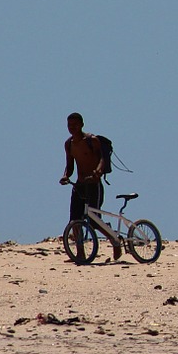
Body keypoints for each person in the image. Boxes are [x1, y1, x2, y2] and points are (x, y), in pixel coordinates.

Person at [59, 112, 119, 261]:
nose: (71, 128)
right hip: (79, 186)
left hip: (93, 184)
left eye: (75, 125)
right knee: (74, 220)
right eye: (69, 125)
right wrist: (66, 175)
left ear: (81, 125)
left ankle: (114, 240)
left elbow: (102, 159)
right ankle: (80, 253)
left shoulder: (92, 140)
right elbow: (69, 166)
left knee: (94, 220)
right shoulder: (69, 144)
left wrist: (98, 171)